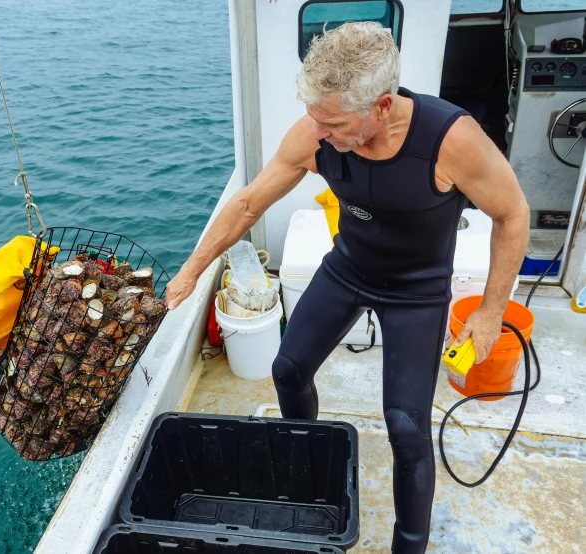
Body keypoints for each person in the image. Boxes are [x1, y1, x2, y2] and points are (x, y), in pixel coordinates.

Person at [164, 21, 529, 553]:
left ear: (382, 106)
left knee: (406, 427)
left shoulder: (453, 141)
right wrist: (192, 270)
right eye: (315, 118)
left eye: (333, 124)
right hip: (348, 269)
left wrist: (492, 310)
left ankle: (409, 544)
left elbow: (512, 213)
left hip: (418, 292)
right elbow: (247, 204)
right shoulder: (315, 132)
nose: (320, 133)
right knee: (287, 370)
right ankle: (308, 472)